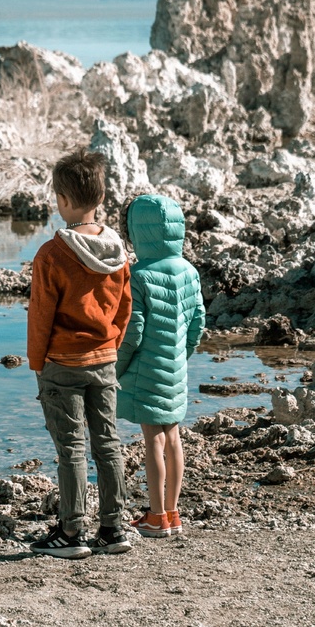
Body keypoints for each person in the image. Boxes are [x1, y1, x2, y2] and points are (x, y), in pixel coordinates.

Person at [27, 149, 133, 558]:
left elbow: (40, 317)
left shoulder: (52, 255)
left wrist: (38, 363)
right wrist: (111, 345)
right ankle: (113, 528)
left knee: (70, 447)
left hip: (62, 364)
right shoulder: (117, 252)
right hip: (104, 359)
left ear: (63, 201)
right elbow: (125, 306)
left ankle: (71, 533)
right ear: (101, 198)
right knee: (107, 442)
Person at [115, 193, 204, 538]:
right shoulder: (189, 271)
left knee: (152, 438)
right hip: (175, 367)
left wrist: (116, 369)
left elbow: (132, 331)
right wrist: (182, 357)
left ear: (137, 232)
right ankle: (172, 512)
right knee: (173, 437)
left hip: (144, 371)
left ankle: (154, 516)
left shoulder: (137, 275)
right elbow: (197, 323)